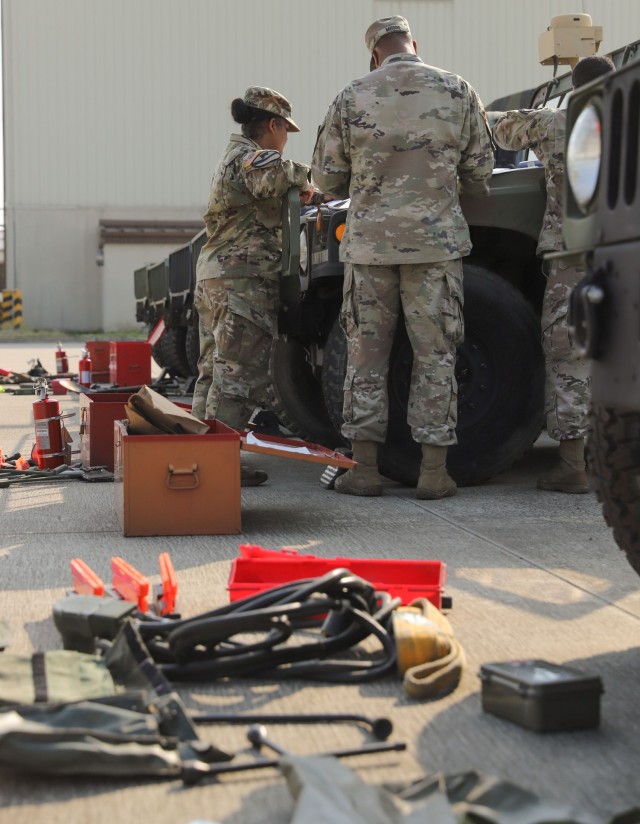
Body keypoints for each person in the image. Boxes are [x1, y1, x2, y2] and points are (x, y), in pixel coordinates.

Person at [311, 16, 493, 499]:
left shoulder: (352, 96)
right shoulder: (457, 91)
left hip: (370, 247)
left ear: (374, 54)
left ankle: (365, 470)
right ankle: (434, 473)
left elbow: (326, 179)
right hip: (435, 248)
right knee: (436, 355)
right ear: (415, 45)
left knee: (366, 357)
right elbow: (480, 170)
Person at [493, 54, 615, 494]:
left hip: (575, 258)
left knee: (569, 355)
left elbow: (500, 127)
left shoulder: (557, 123)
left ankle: (573, 465)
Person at [192, 86, 314, 486]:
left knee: (213, 371)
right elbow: (272, 177)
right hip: (240, 279)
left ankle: (197, 455)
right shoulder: (253, 155)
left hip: (217, 276)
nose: (284, 140)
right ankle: (217, 466)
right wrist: (313, 178)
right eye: (285, 131)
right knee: (238, 375)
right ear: (274, 125)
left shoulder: (232, 157)